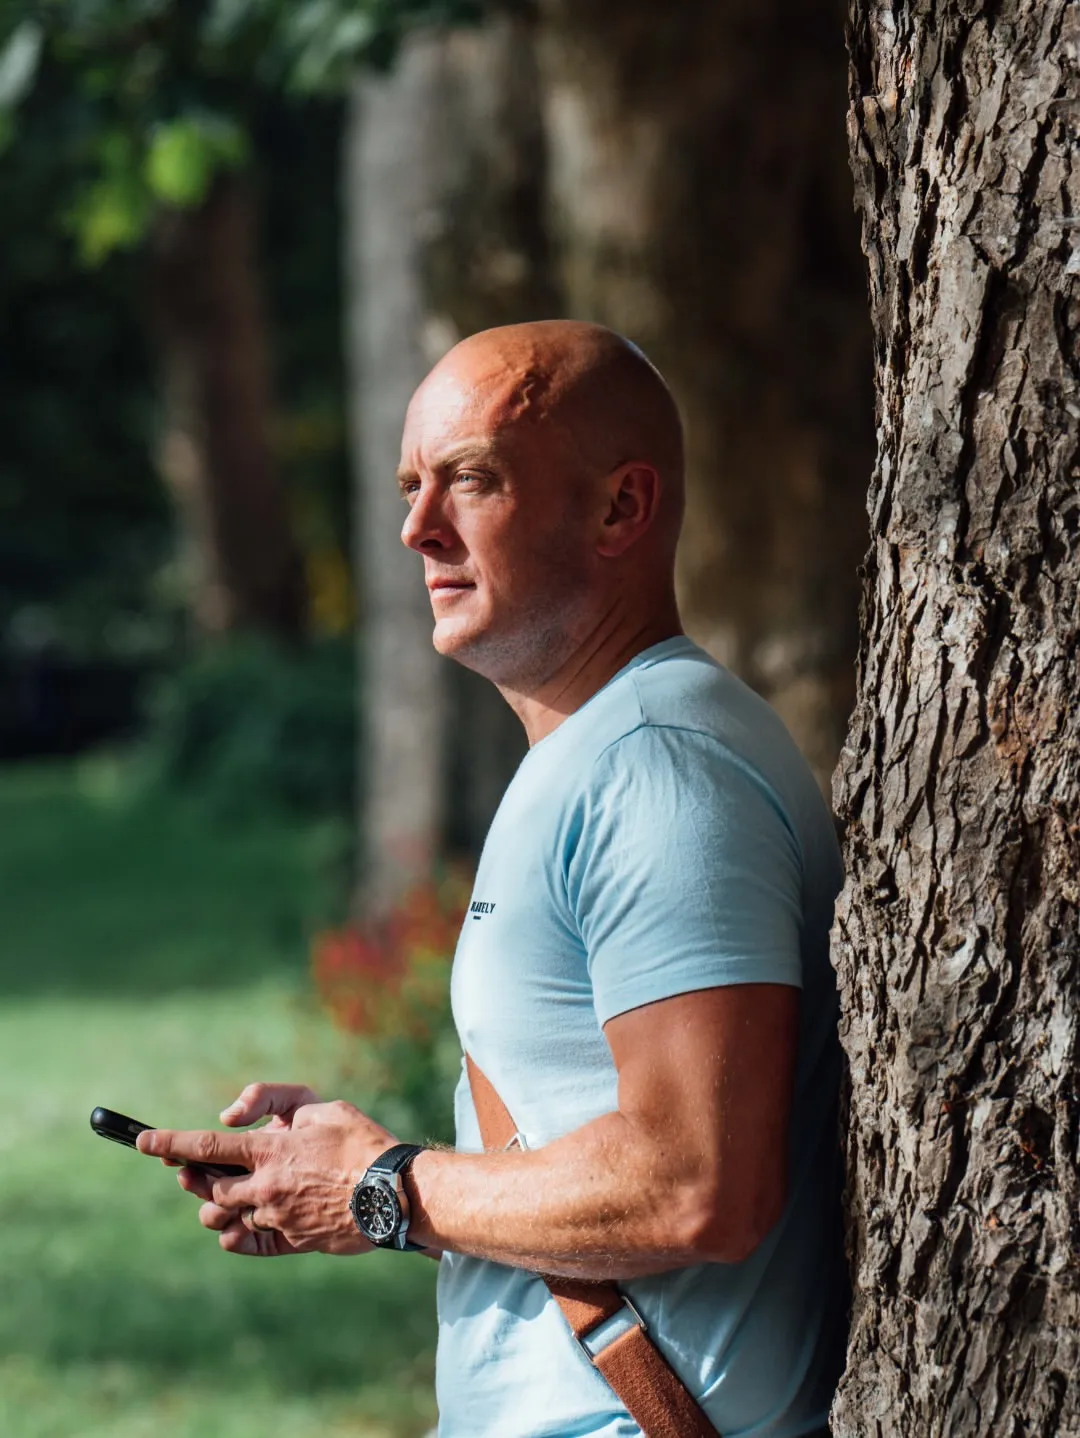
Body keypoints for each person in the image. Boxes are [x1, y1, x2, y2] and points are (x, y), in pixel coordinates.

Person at [140, 320, 848, 1437]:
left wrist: (387, 1185)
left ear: (621, 507)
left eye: (471, 480)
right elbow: (602, 1153)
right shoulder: (601, 750)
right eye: (411, 485)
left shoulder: (658, 768)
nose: (418, 527)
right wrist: (343, 1176)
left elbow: (696, 1186)